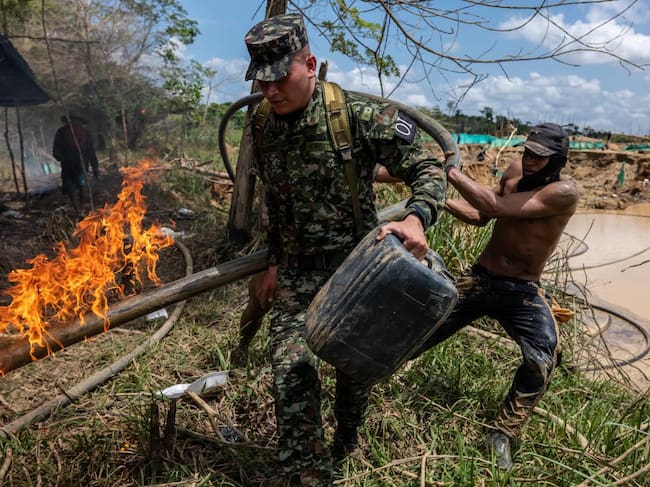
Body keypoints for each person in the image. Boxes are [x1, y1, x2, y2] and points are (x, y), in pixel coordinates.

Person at [243, 13, 447, 486]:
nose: (270, 90)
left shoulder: (357, 116)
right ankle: (309, 475)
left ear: (309, 64)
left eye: (279, 78)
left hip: (356, 272)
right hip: (295, 274)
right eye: (261, 80)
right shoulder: (261, 124)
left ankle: (347, 439)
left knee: (354, 372)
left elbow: (428, 166)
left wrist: (416, 217)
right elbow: (274, 199)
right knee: (292, 370)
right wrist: (272, 261)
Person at [411, 123, 579, 469]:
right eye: (527, 151)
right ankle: (364, 380)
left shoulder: (564, 192)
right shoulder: (515, 170)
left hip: (521, 292)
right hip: (480, 280)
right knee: (416, 333)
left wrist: (451, 172)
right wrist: (438, 198)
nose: (530, 160)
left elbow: (498, 207)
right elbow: (481, 215)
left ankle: (501, 432)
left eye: (540, 156)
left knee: (542, 357)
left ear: (558, 159)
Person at [52, 114, 99, 215]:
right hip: (67, 165)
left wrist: (95, 167)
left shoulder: (86, 134)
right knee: (69, 188)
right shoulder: (62, 132)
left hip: (81, 165)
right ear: (69, 122)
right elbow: (56, 148)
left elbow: (91, 151)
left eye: (77, 121)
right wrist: (60, 156)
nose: (75, 123)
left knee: (81, 186)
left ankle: (81, 209)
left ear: (81, 122)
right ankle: (76, 208)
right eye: (73, 121)